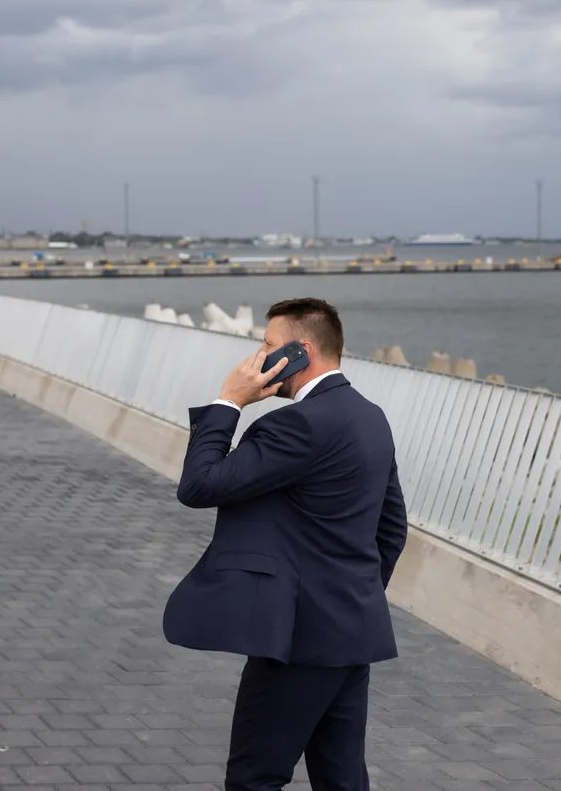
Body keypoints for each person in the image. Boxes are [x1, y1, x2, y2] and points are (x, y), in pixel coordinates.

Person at [162, 297, 408, 791]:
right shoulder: (370, 416)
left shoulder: (297, 424)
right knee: (341, 778)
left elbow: (199, 485)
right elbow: (392, 528)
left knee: (254, 777)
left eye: (269, 345)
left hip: (299, 640)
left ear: (302, 350)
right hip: (350, 631)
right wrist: (350, 596)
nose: (259, 356)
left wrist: (229, 401)